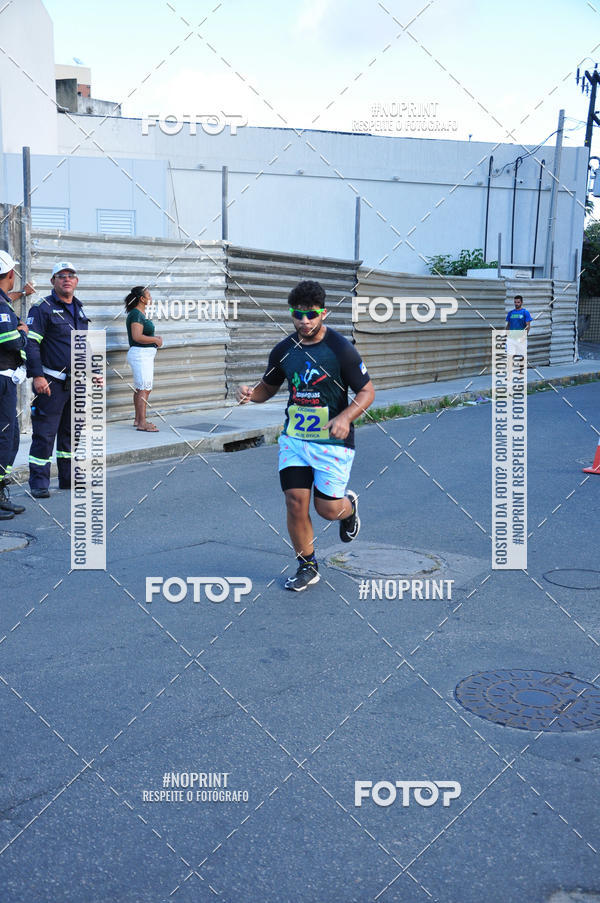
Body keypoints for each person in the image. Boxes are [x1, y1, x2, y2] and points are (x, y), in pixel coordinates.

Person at [237, 280, 375, 592]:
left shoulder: (341, 350)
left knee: (327, 510)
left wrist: (345, 416)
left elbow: (367, 391)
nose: (304, 321)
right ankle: (307, 565)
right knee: (295, 502)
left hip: (332, 442)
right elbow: (267, 389)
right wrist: (249, 393)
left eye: (311, 315)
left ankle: (348, 508)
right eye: (298, 315)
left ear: (323, 313)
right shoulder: (285, 351)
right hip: (295, 440)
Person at [26, 261, 90, 498]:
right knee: (44, 434)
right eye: (61, 276)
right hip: (51, 382)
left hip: (77, 384)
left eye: (71, 275)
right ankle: (39, 483)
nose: (66, 279)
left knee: (71, 433)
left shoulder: (79, 310)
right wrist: (37, 376)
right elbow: (31, 343)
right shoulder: (42, 308)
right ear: (53, 281)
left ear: (76, 281)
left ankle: (68, 478)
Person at [0, 250, 33, 518]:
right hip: (2, 381)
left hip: (6, 379)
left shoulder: (3, 302)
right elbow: (9, 341)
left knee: (8, 437)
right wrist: (23, 332)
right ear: (10, 274)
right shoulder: (1, 307)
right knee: (4, 438)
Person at [124, 286, 163, 432]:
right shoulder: (136, 314)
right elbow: (137, 337)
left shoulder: (140, 313)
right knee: (144, 388)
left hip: (144, 354)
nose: (150, 298)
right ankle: (142, 423)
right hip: (140, 354)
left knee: (142, 388)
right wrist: (155, 339)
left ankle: (138, 419)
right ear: (142, 298)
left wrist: (155, 339)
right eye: (149, 295)